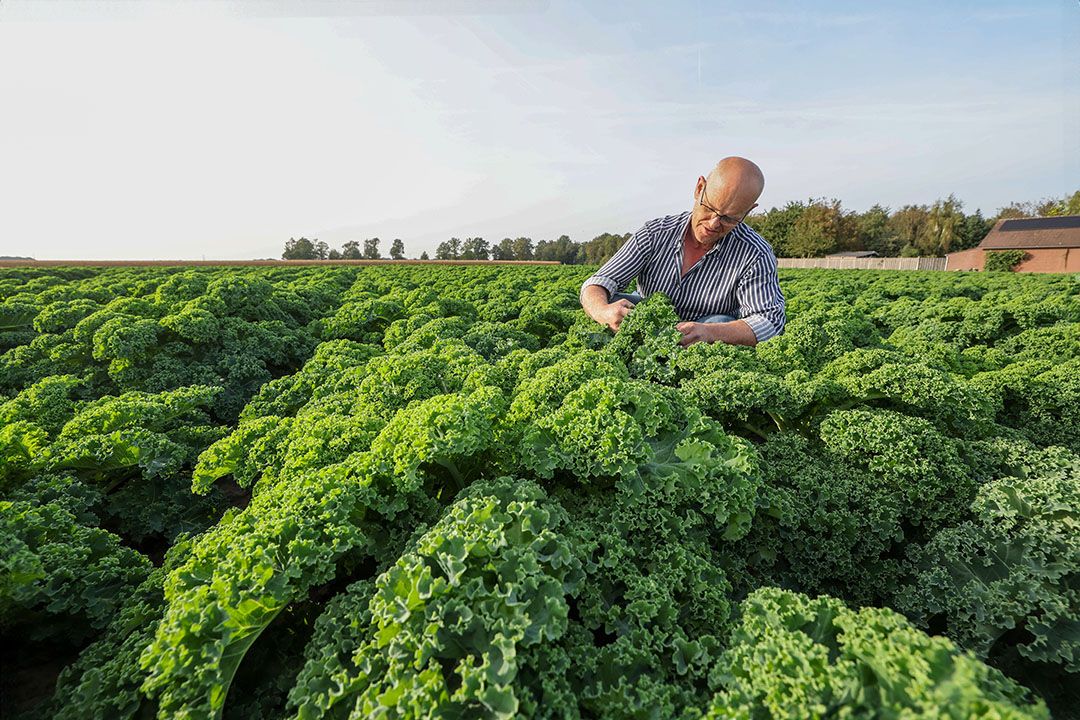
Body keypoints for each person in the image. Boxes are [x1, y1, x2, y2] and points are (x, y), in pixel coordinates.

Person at [579, 157, 785, 347]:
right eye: (709, 207)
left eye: (729, 218)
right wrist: (603, 311)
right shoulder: (655, 233)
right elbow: (600, 281)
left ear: (748, 211)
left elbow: (769, 321)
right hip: (650, 320)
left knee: (721, 321)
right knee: (609, 299)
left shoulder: (755, 253)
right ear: (699, 188)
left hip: (705, 331)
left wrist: (709, 332)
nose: (713, 223)